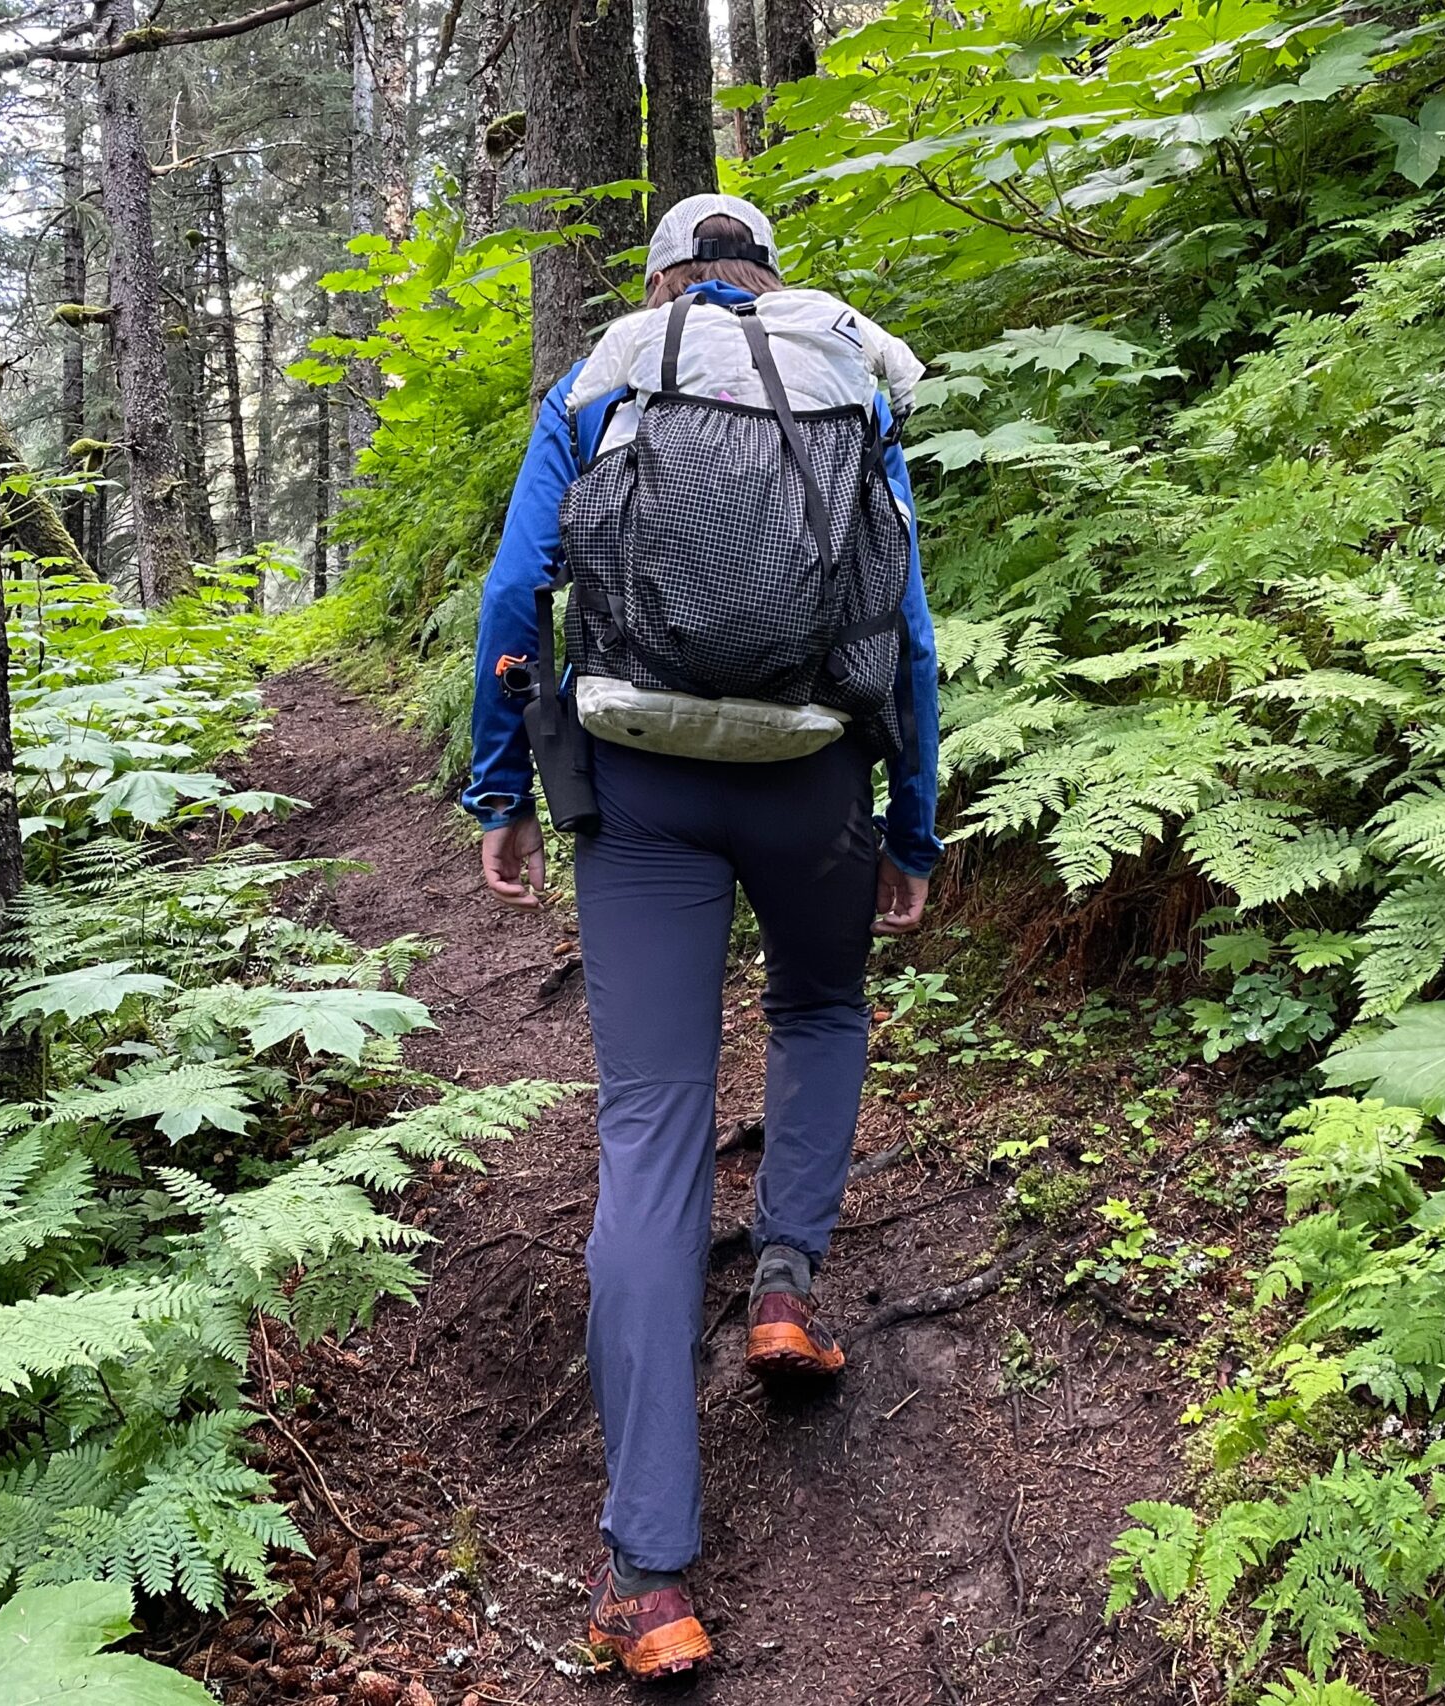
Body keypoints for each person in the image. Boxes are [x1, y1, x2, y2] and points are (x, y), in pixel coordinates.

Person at [463, 193, 942, 1678]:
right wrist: (913, 815)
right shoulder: (844, 371)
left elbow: (516, 590)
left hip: (643, 783)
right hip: (811, 778)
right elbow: (907, 624)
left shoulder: (609, 366)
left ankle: (650, 1576)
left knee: (653, 1126)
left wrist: (501, 781)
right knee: (818, 1008)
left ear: (669, 278)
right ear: (769, 279)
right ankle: (787, 1285)